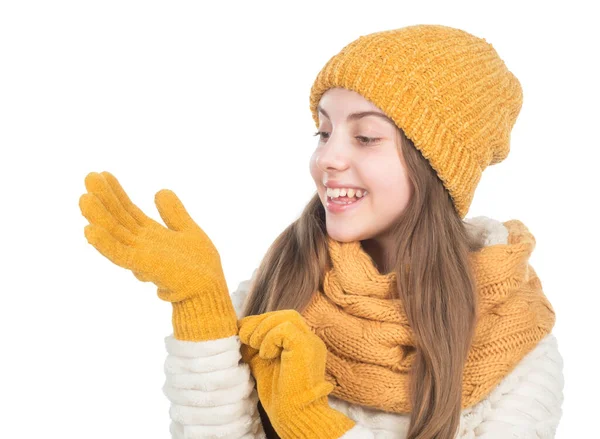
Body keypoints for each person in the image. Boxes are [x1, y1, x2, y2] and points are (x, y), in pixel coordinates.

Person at [79, 24, 564, 439]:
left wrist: (313, 425)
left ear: (438, 168)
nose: (327, 158)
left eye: (366, 137)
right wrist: (201, 309)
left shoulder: (512, 334)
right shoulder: (280, 285)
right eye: (324, 131)